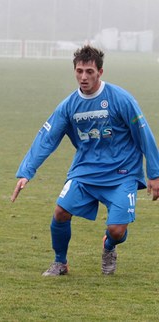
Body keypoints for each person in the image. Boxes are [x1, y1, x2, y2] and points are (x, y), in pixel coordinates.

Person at [11, 45, 159, 276]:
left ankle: (108, 246)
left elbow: (143, 134)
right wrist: (26, 171)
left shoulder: (121, 99)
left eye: (89, 71)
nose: (83, 76)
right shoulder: (69, 105)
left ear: (100, 72)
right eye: (79, 71)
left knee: (117, 230)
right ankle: (60, 262)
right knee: (60, 212)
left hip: (122, 173)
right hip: (85, 171)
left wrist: (155, 174)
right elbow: (47, 138)